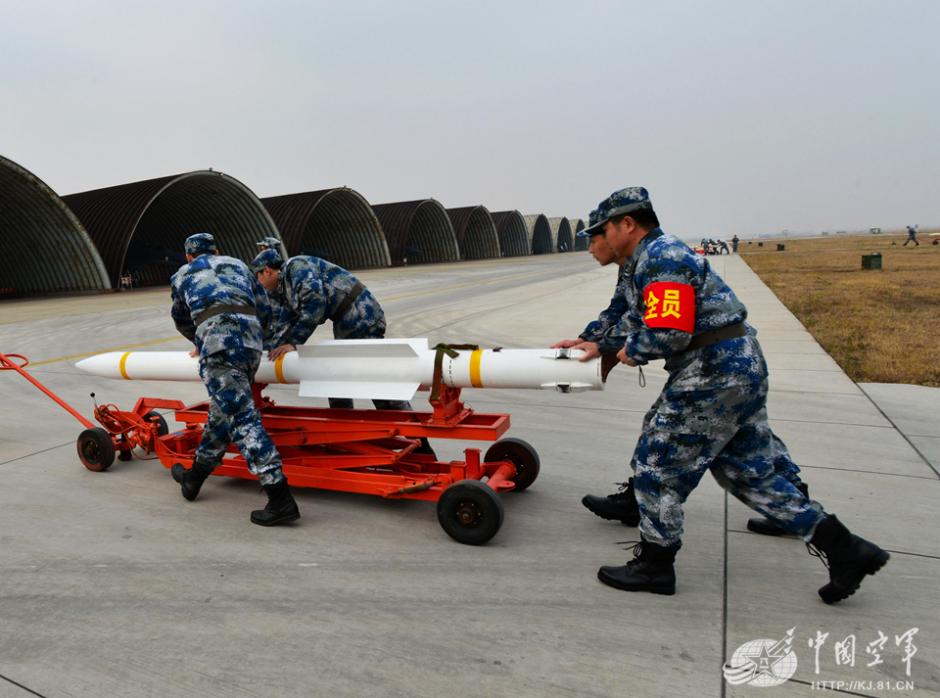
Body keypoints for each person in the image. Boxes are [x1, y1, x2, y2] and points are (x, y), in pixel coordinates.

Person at [553, 187, 888, 602]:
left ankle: (655, 566)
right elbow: (624, 314)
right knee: (747, 471)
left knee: (658, 462)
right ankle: (846, 549)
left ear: (627, 224)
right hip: (728, 367)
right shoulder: (641, 262)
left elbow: (668, 332)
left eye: (597, 232)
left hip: (713, 370)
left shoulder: (663, 258)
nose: (591, 243)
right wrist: (592, 342)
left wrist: (628, 352)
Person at [170, 233, 300, 527]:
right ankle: (194, 478)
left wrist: (201, 338)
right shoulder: (239, 265)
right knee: (222, 413)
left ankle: (280, 498)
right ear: (217, 250)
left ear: (189, 256)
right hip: (251, 346)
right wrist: (254, 336)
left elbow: (180, 316)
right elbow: (265, 309)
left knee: (242, 419)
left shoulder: (182, 273)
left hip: (219, 346)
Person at [250, 248, 414, 413]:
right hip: (346, 320)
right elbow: (282, 322)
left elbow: (315, 305)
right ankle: (344, 424)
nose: (258, 284)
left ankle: (410, 428)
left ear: (267, 271)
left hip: (361, 313)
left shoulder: (297, 268)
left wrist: (293, 343)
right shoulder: (283, 287)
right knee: (338, 378)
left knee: (371, 376)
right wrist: (268, 350)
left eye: (258, 277)